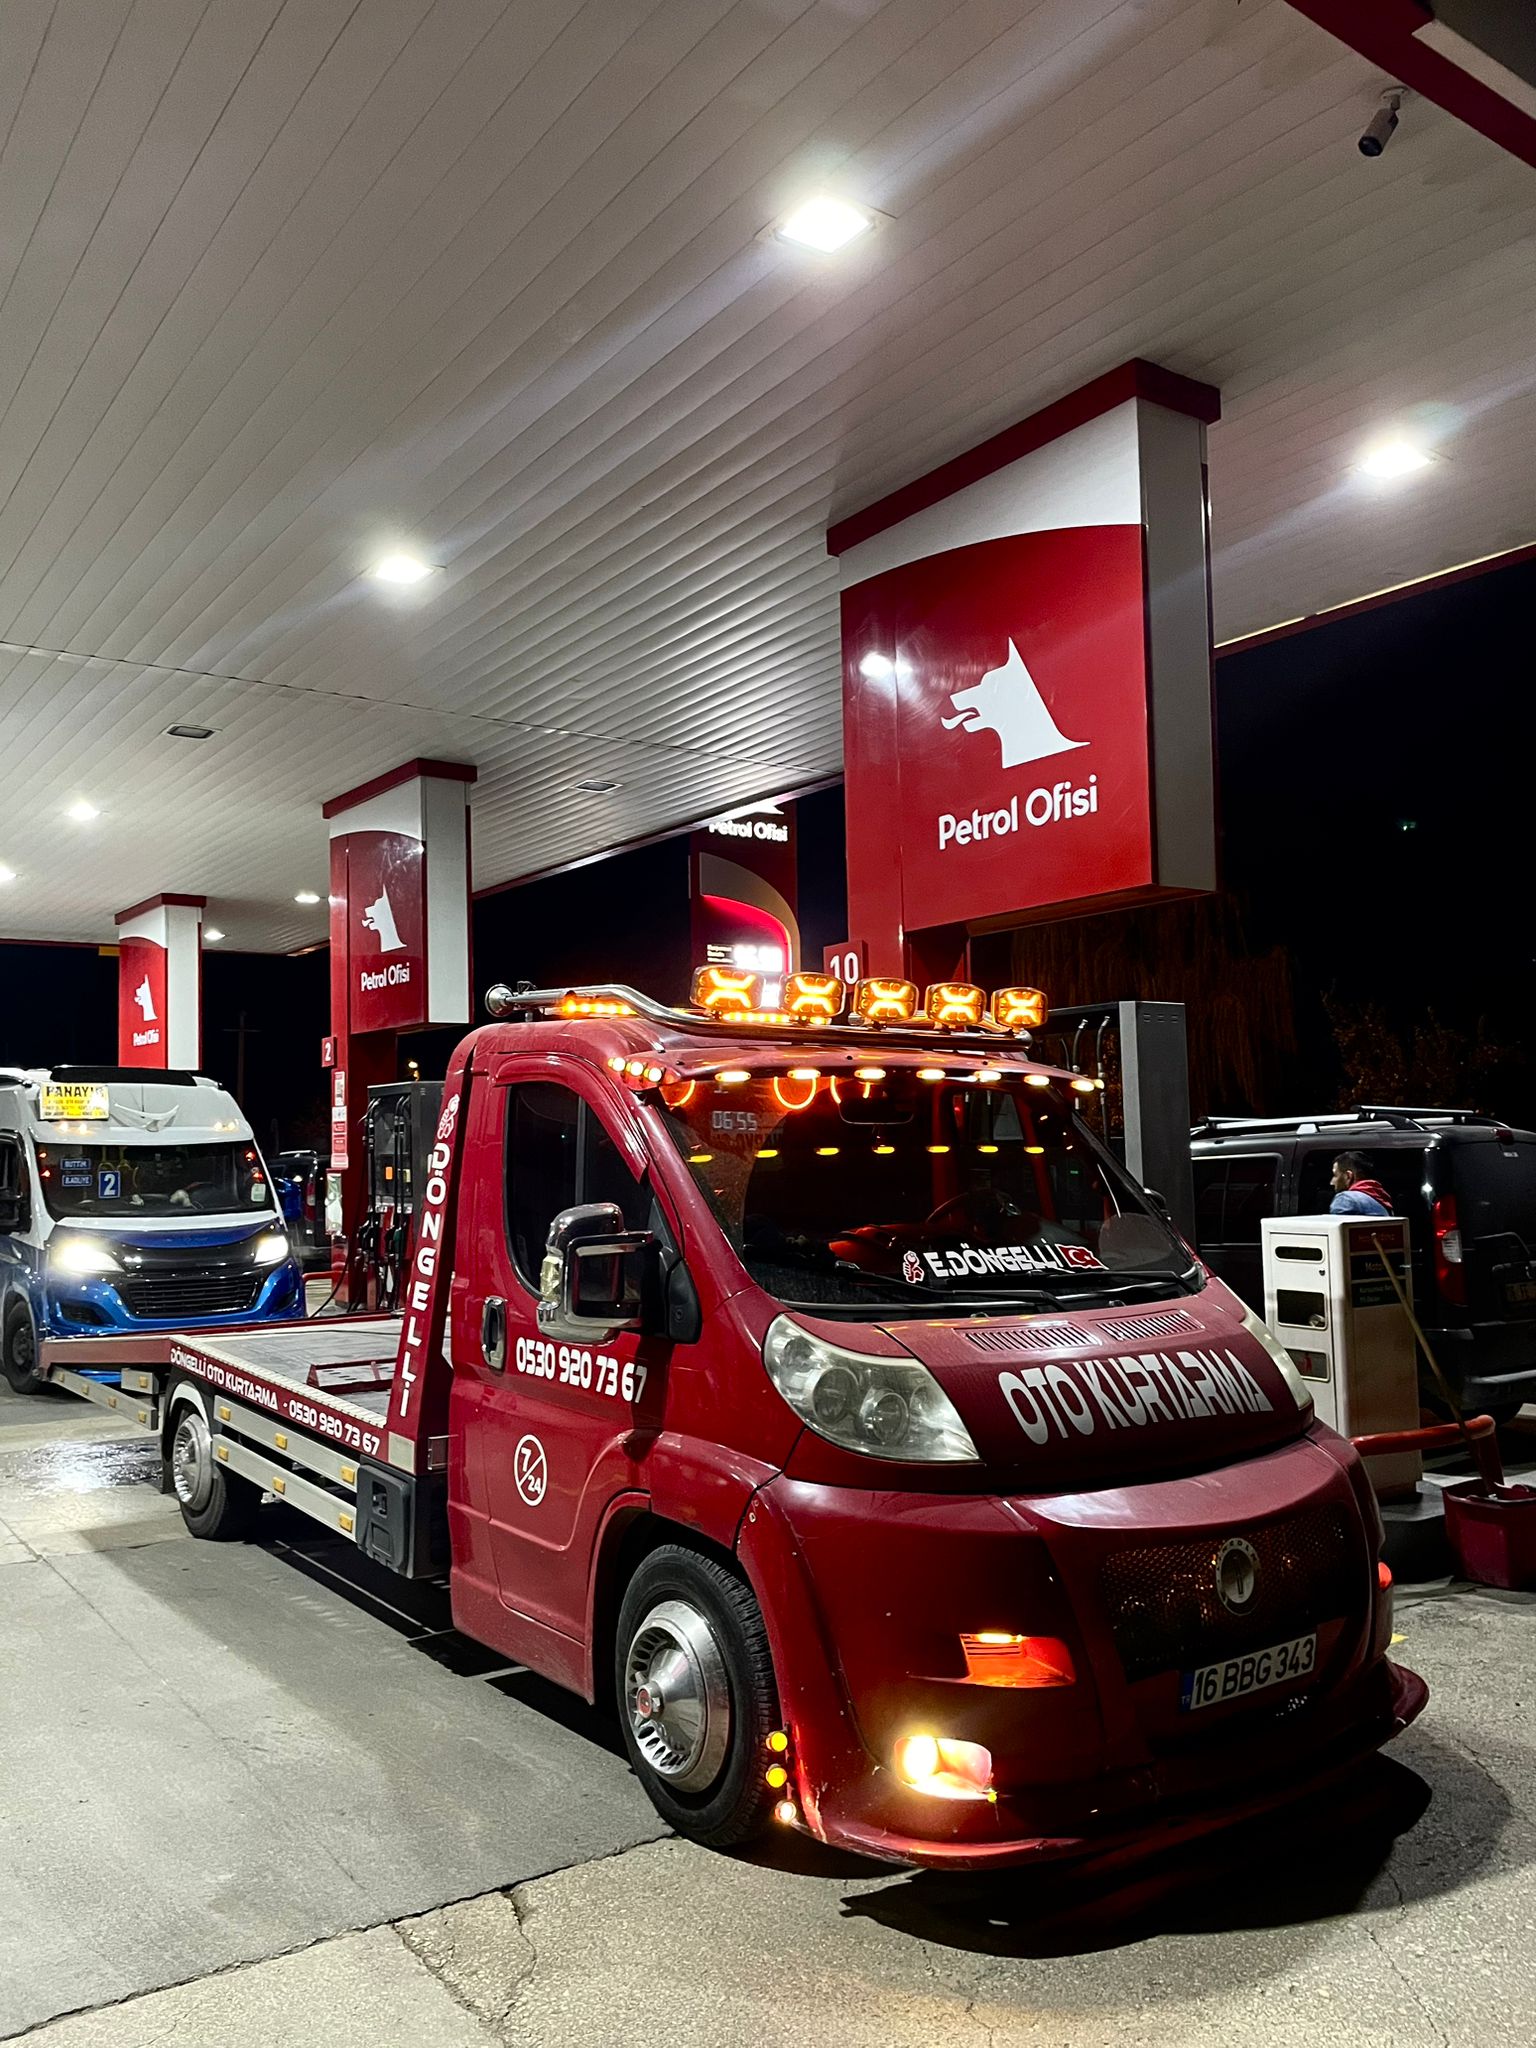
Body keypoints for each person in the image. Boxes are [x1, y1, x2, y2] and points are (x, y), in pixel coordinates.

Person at [1329, 1152, 1393, 1217]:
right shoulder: (1381, 1200)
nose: (1331, 1182)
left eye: (1335, 1175)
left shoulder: (1346, 1199)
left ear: (1348, 1176)